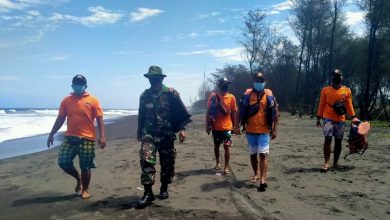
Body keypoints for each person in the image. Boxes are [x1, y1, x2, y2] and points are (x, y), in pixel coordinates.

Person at [137, 66, 191, 208]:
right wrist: (139, 132)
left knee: (167, 162)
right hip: (149, 134)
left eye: (155, 77)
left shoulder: (171, 94)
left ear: (161, 78)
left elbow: (180, 113)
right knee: (146, 161)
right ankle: (148, 193)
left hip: (166, 133)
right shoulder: (145, 95)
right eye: (150, 78)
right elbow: (141, 114)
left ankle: (164, 188)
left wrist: (182, 130)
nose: (152, 80)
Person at [47, 75, 106, 199]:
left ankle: (85, 189)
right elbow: (60, 118)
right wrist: (51, 134)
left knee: (85, 166)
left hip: (87, 139)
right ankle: (78, 178)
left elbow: (100, 119)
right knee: (63, 162)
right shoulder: (66, 100)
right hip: (70, 138)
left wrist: (102, 137)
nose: (78, 85)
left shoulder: (93, 100)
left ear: (85, 86)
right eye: (76, 83)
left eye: (81, 83)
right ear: (72, 85)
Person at [239, 72, 278, 192]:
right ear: (254, 81)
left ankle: (262, 179)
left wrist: (275, 128)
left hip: (264, 130)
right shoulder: (247, 95)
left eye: (261, 81)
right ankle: (256, 173)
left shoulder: (269, 94)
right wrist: (237, 126)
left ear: (264, 82)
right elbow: (240, 110)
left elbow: (275, 112)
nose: (259, 83)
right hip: (250, 130)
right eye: (257, 80)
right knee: (253, 154)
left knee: (263, 154)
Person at [316, 69, 356, 172]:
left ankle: (336, 163)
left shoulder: (347, 90)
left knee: (338, 141)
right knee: (328, 139)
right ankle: (326, 163)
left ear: (342, 78)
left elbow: (349, 104)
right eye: (335, 75)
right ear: (332, 77)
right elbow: (322, 104)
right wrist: (319, 117)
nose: (338, 77)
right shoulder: (325, 90)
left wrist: (353, 117)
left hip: (341, 119)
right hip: (328, 118)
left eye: (339, 75)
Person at [206, 77, 239, 174]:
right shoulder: (213, 97)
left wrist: (235, 126)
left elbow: (233, 112)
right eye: (224, 84)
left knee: (227, 146)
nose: (226, 86)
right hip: (216, 126)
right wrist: (207, 125)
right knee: (216, 145)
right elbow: (209, 112)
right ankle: (217, 163)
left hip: (227, 127)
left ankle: (226, 167)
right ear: (220, 86)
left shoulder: (231, 97)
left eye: (227, 84)